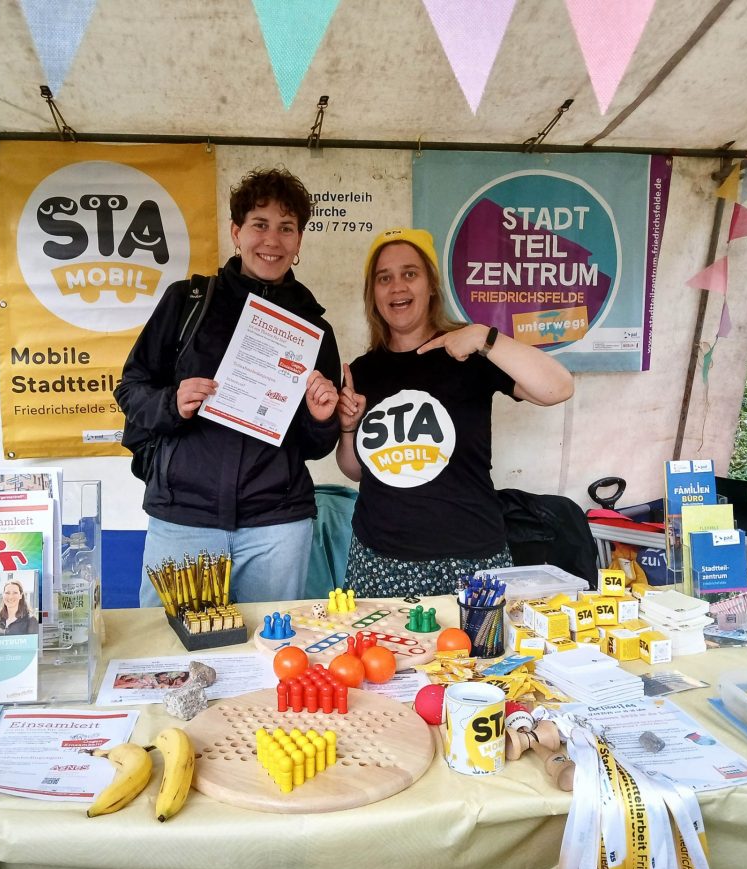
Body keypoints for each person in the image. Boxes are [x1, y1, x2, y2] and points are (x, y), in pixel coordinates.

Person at [115, 167, 341, 607]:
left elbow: (315, 446)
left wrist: (321, 418)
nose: (271, 241)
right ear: (236, 232)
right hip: (184, 519)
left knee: (267, 655)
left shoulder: (313, 328)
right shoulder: (188, 302)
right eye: (260, 225)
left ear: (298, 242)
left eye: (286, 228)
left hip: (277, 525)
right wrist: (171, 402)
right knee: (169, 658)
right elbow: (130, 388)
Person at [335, 228, 574, 597]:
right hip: (380, 559)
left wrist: (484, 337)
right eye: (385, 278)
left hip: (471, 557)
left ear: (431, 284)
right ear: (374, 293)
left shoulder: (469, 354)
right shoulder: (363, 371)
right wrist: (348, 429)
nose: (397, 287)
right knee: (384, 657)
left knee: (478, 656)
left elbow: (558, 388)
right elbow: (355, 470)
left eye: (409, 273)